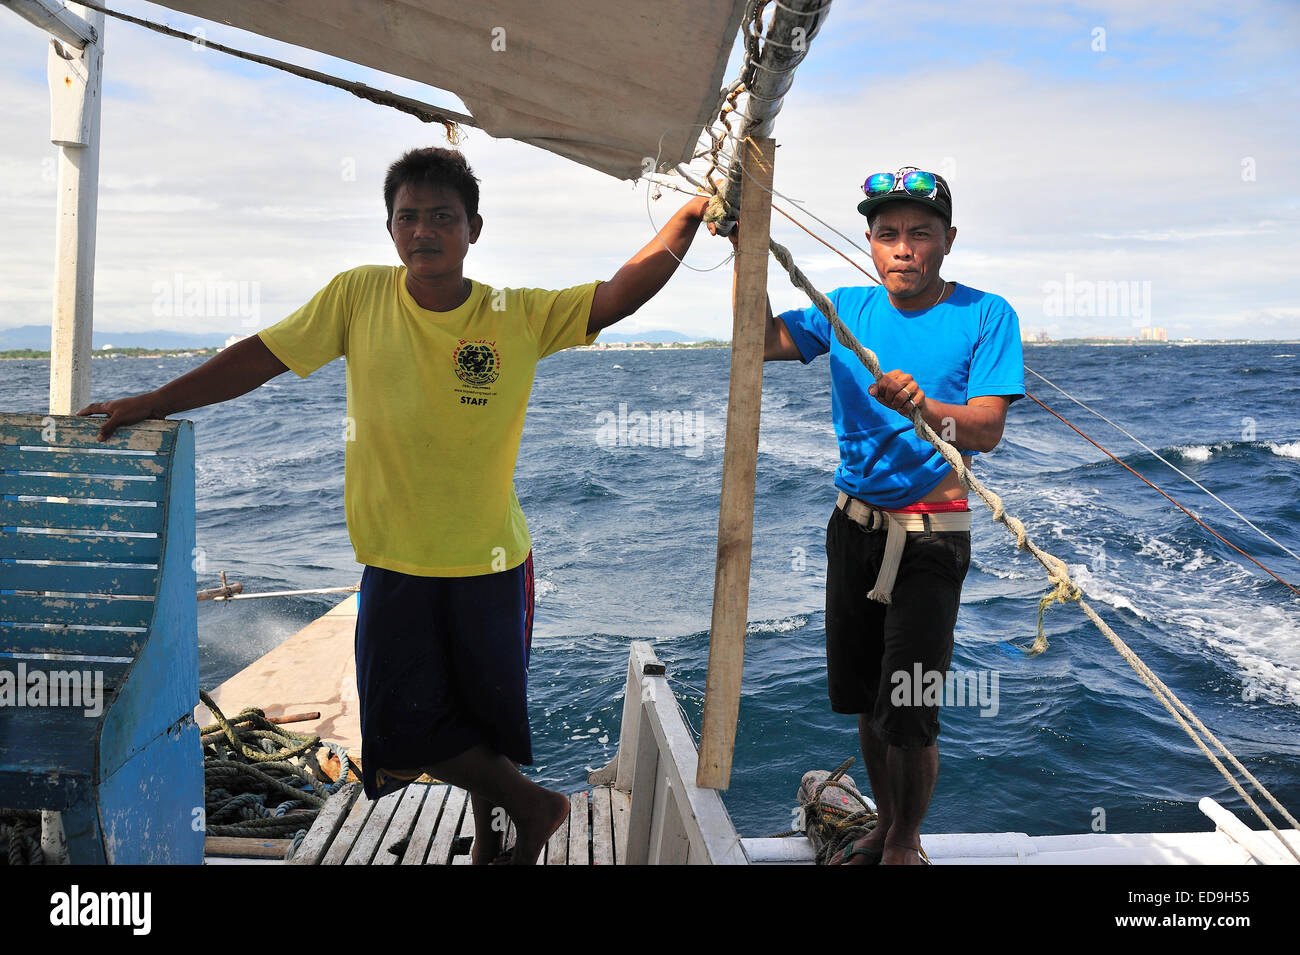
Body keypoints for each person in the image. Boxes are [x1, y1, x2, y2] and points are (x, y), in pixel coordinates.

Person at [78, 147, 713, 864]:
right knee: (400, 726)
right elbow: (261, 356)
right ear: (389, 229)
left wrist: (688, 218)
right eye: (407, 217)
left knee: (483, 720)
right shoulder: (359, 296)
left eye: (442, 216)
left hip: (491, 560)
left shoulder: (516, 314)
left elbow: (618, 294)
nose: (423, 231)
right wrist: (154, 400)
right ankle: (538, 806)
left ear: (474, 227)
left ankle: (499, 842)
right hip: (395, 560)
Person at [740, 166, 1024, 864]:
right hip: (853, 530)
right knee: (868, 699)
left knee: (911, 707)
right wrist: (745, 245)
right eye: (888, 233)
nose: (903, 248)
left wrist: (923, 408)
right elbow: (757, 339)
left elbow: (985, 429)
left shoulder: (988, 315)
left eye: (920, 234)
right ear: (869, 242)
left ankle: (906, 840)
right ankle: (882, 825)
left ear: (948, 241)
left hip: (932, 540)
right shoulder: (843, 311)